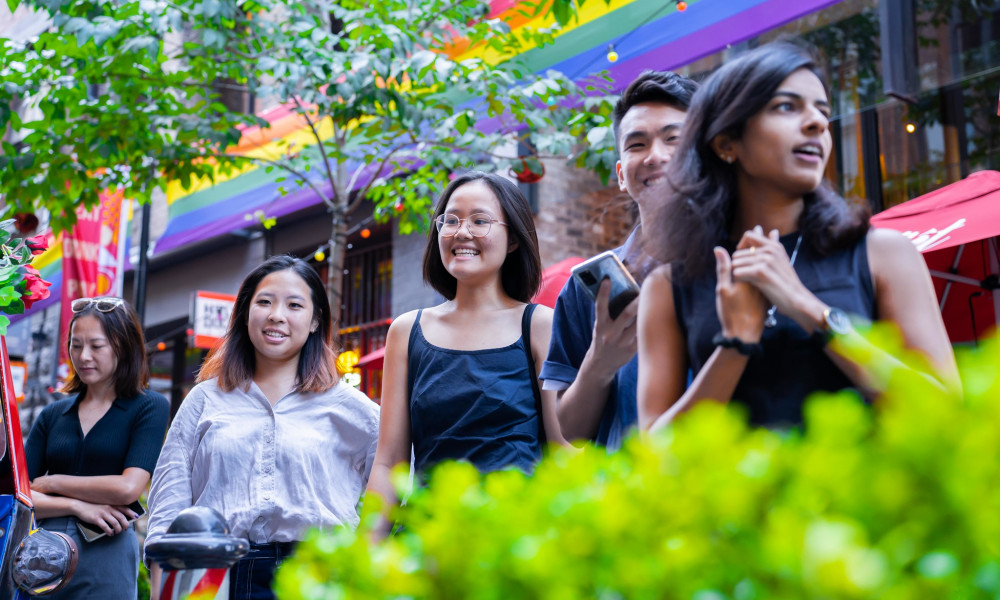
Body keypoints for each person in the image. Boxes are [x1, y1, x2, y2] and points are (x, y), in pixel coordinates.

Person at [637, 42, 960, 431]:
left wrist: (810, 310)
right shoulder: (669, 284)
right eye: (787, 107)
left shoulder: (882, 253)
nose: (817, 124)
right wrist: (734, 345)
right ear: (727, 143)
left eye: (823, 112)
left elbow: (946, 411)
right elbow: (654, 453)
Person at [145, 255, 379, 600]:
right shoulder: (205, 399)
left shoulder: (347, 405)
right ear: (245, 313)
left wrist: (368, 553)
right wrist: (162, 580)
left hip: (317, 577)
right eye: (264, 302)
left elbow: (401, 478)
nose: (277, 315)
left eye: (294, 305)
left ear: (315, 321)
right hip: (212, 574)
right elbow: (169, 498)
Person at [366, 172, 565, 530]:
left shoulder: (540, 325)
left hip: (517, 539)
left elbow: (563, 449)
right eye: (452, 220)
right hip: (428, 542)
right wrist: (364, 556)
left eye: (480, 220)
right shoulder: (407, 330)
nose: (462, 231)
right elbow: (388, 464)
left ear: (514, 240)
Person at [539, 71, 698, 450]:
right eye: (637, 144)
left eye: (673, 139)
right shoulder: (587, 287)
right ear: (621, 174)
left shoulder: (739, 260)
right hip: (628, 498)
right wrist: (601, 361)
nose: (655, 156)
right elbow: (571, 430)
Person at [25, 296, 170, 600]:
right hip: (42, 550)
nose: (83, 356)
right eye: (76, 345)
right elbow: (21, 495)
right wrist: (78, 506)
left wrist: (54, 482)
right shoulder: (53, 414)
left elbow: (127, 488)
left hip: (107, 548)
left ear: (123, 346)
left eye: (96, 345)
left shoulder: (149, 407)